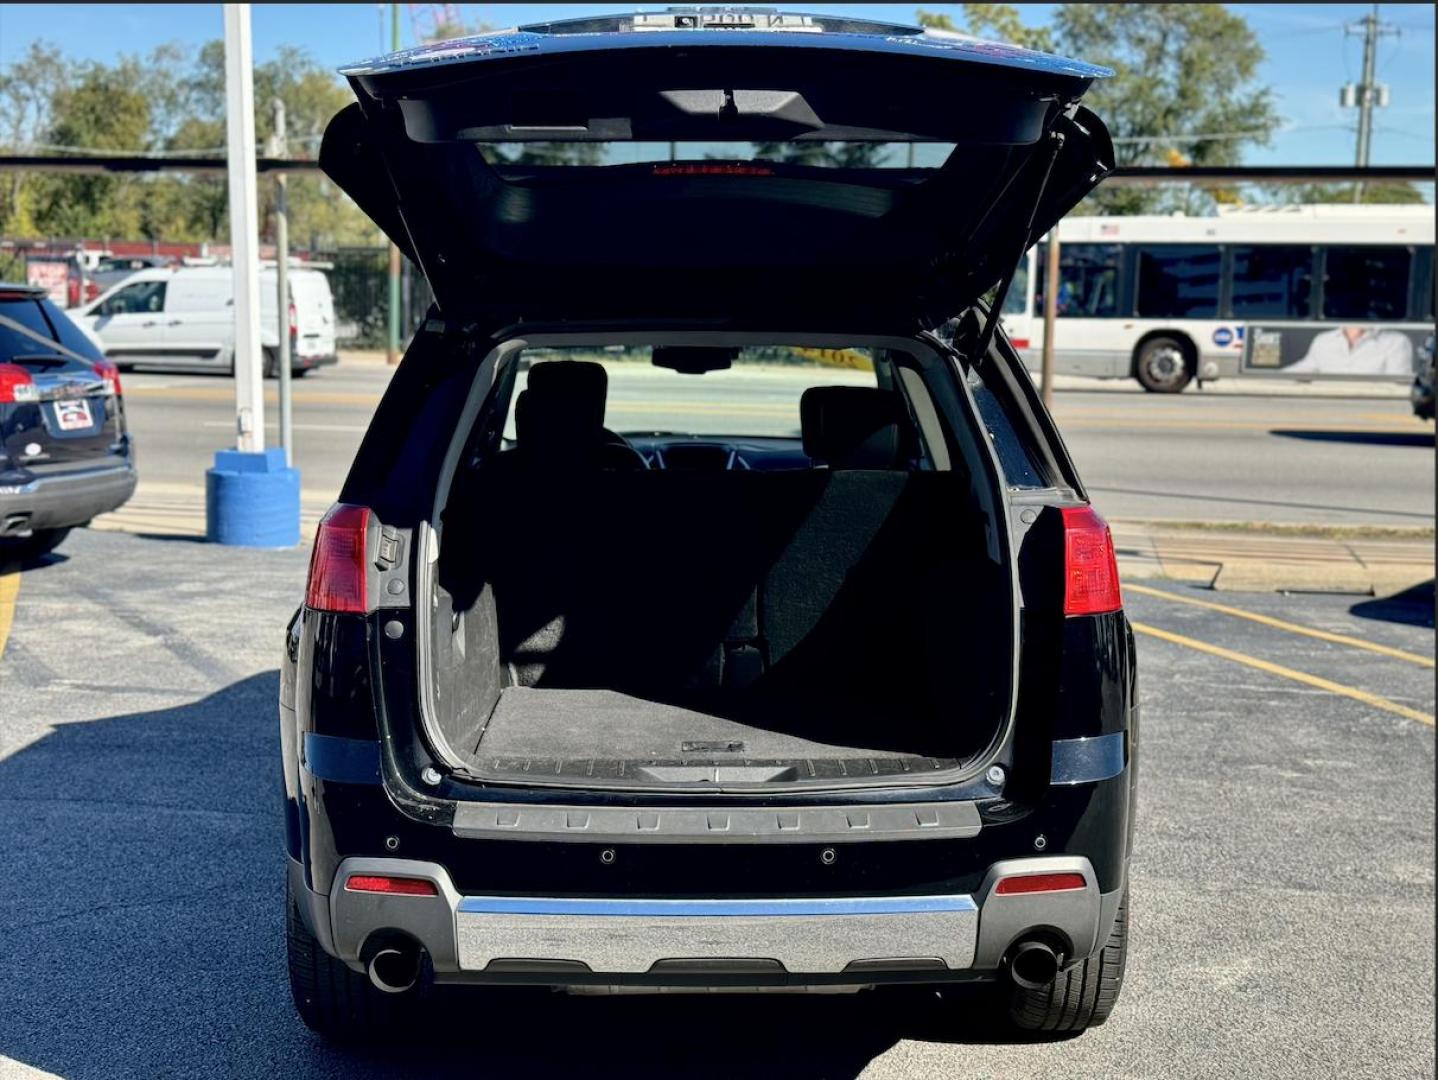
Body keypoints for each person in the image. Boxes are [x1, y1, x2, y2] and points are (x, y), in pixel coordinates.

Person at [1286, 325, 1415, 376]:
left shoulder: (1396, 342)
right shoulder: (1323, 340)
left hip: (1375, 412)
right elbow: (1305, 368)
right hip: (1328, 411)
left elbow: (1399, 385)